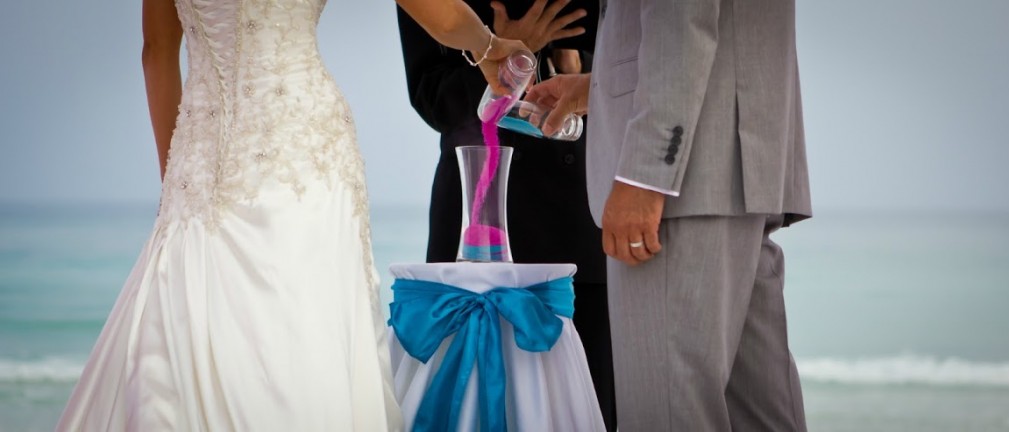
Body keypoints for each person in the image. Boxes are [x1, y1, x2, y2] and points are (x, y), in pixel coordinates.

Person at [56, 0, 526, 430]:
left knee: (179, 332)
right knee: (305, 333)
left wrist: (181, 176)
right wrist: (488, 46)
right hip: (305, 153)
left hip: (211, 162)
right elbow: (441, 16)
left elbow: (156, 50)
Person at [526, 0, 813, 430]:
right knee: (759, 417)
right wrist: (599, 86)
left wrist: (646, 173)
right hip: (743, 163)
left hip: (684, 182)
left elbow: (681, 16)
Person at [395, 1, 617, 429]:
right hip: (476, 218)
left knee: (588, 403)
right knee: (463, 401)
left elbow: (634, 63)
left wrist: (574, 66)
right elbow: (433, 99)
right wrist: (509, 52)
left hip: (581, 209)